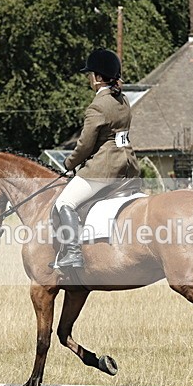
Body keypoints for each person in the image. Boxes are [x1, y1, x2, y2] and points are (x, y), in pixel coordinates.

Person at [54, 48, 140, 268]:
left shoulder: (98, 106)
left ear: (98, 77)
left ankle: (73, 253)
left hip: (105, 168)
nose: (88, 78)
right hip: (128, 165)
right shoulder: (123, 100)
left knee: (64, 202)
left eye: (90, 74)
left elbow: (85, 145)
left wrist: (68, 164)